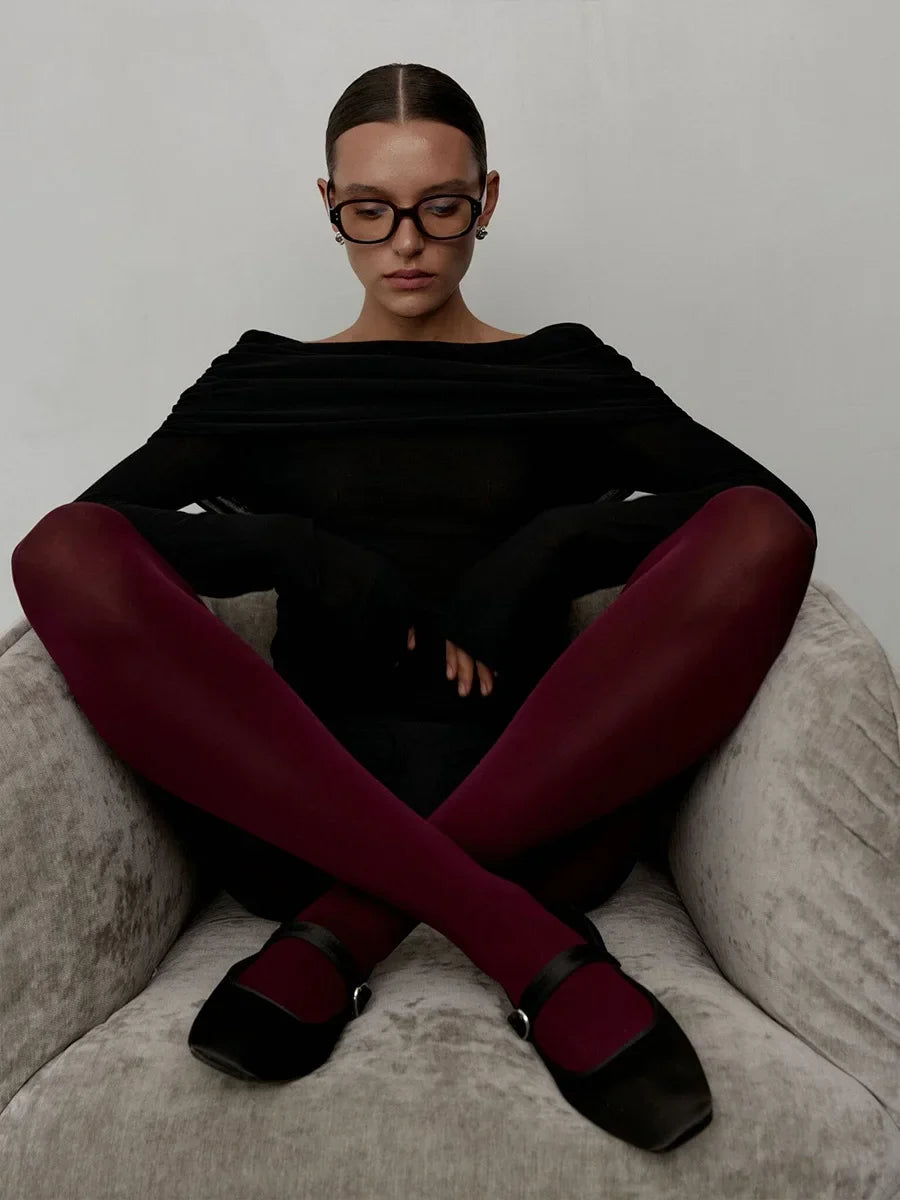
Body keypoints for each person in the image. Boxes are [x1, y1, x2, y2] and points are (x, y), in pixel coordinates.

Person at [10, 62, 818, 1153]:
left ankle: (345, 930)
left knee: (757, 535)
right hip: (302, 814)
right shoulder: (263, 384)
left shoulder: (565, 373)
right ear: (328, 205)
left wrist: (553, 545)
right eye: (369, 210)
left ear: (487, 201)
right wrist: (294, 551)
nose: (406, 242)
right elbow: (88, 546)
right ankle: (526, 949)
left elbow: (767, 516)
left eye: (440, 207)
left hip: (543, 811)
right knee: (60, 549)